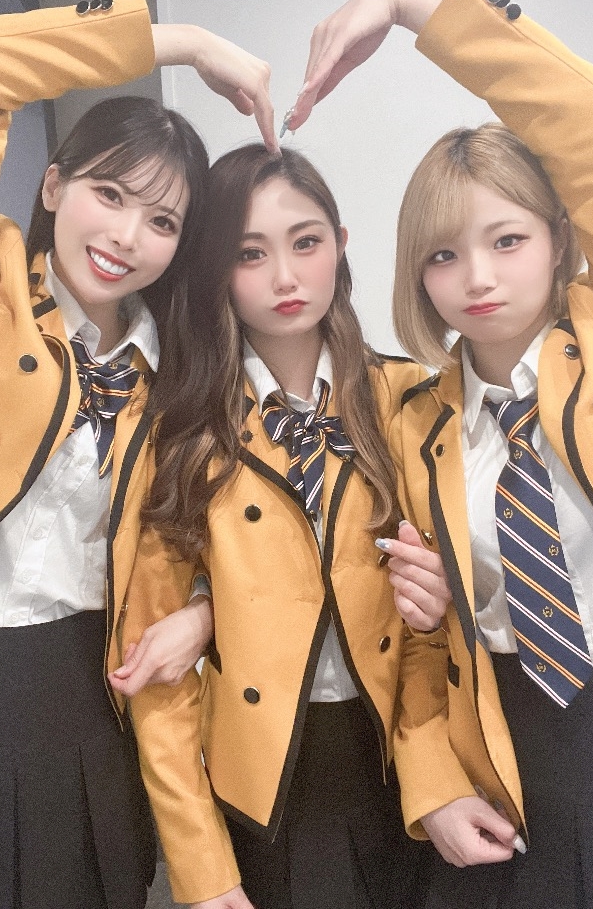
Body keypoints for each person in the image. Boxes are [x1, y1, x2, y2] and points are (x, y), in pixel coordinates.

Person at [291, 0, 593, 909]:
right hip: (501, 756)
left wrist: (411, 3)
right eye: (443, 255)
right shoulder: (415, 423)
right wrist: (432, 785)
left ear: (560, 237)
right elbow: (411, 638)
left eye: (507, 240)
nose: (477, 277)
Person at [0, 0, 276, 909]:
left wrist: (206, 615)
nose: (125, 237)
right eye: (109, 194)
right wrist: (183, 42)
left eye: (162, 221)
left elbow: (200, 580)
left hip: (83, 722)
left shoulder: (178, 384)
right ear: (52, 186)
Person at [117, 143, 451, 909]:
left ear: (341, 243)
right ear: (215, 270)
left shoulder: (410, 401)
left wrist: (448, 593)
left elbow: (452, 605)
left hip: (414, 760)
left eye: (305, 242)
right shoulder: (181, 432)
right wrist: (202, 871)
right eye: (250, 254)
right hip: (267, 789)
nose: (285, 278)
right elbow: (154, 678)